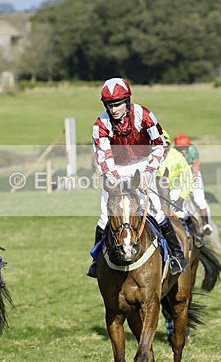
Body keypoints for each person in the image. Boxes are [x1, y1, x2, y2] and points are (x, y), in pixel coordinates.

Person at [87, 78, 189, 278]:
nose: (114, 109)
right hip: (114, 169)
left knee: (156, 210)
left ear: (127, 101)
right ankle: (97, 261)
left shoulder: (145, 115)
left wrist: (149, 171)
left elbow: (160, 144)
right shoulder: (100, 125)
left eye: (117, 104)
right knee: (104, 217)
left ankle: (177, 255)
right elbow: (104, 159)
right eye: (109, 105)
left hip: (143, 165)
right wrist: (117, 182)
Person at [173, 134, 213, 235]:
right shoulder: (173, 153)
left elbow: (195, 166)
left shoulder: (193, 150)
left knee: (199, 199)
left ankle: (206, 224)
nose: (182, 150)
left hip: (193, 174)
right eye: (180, 148)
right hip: (181, 175)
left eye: (184, 148)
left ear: (188, 147)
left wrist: (191, 181)